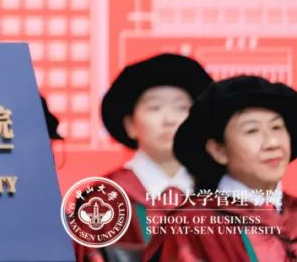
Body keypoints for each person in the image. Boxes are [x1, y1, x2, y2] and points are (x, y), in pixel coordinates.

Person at [144, 75, 297, 261]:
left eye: (277, 127)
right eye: (252, 130)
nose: (272, 143)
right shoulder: (192, 225)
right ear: (218, 150)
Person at [76, 54, 212, 261]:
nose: (170, 120)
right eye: (155, 108)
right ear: (130, 125)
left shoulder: (215, 193)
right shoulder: (105, 198)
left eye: (182, 108)